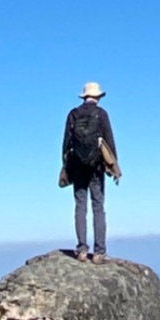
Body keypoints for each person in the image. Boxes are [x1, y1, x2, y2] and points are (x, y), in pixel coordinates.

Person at [59, 81, 120, 260]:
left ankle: (82, 249)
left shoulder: (73, 114)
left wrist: (66, 166)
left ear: (84, 97)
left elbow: (66, 143)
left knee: (80, 206)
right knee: (98, 206)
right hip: (96, 166)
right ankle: (99, 252)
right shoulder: (101, 114)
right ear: (98, 97)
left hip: (77, 165)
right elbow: (109, 140)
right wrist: (113, 166)